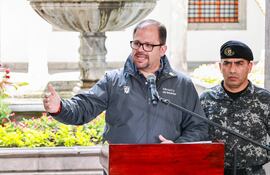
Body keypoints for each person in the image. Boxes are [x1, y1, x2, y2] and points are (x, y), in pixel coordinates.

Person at [43, 19, 208, 144]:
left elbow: (198, 127)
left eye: (148, 45)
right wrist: (59, 108)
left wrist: (178, 147)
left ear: (162, 50)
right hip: (121, 167)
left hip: (166, 168)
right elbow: (83, 109)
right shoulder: (113, 81)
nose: (140, 50)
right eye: (137, 43)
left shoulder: (182, 84)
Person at [200, 40, 270, 175]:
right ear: (220, 67)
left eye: (239, 63)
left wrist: (262, 154)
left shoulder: (265, 99)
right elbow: (195, 135)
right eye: (227, 63)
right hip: (215, 171)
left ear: (250, 66)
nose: (232, 70)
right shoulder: (206, 98)